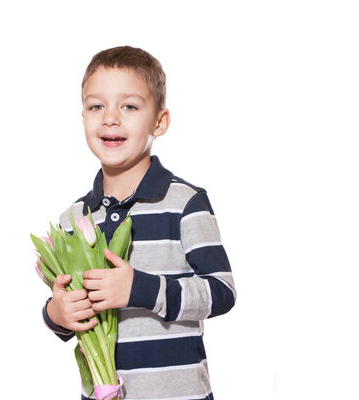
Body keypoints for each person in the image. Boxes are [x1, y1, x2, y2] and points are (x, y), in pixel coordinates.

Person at [42, 45, 236, 400]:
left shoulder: (184, 202)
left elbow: (221, 292)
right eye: (96, 106)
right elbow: (68, 319)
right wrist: (56, 312)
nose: (110, 118)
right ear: (82, 116)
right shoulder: (72, 220)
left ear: (159, 122)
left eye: (129, 106)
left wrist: (141, 290)